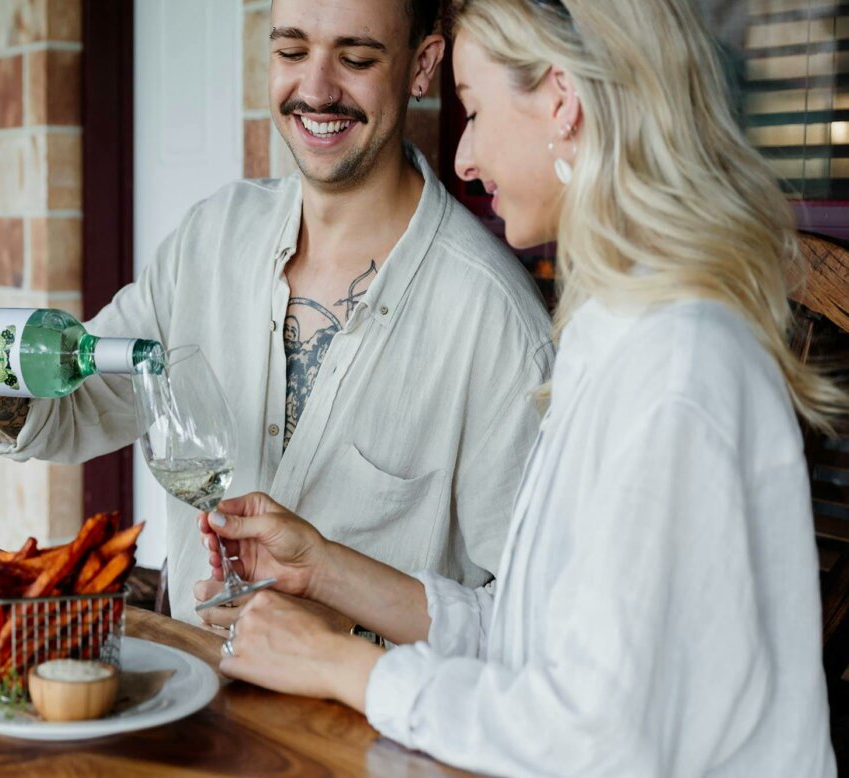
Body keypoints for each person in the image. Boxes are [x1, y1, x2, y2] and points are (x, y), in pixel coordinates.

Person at [195, 0, 844, 774]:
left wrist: (342, 665)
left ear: (562, 100)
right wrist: (324, 569)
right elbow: (537, 636)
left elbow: (597, 738)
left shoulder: (678, 370)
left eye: (473, 109)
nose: (462, 157)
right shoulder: (613, 331)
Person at [0, 0, 554, 626]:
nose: (316, 89)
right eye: (291, 52)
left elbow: (526, 617)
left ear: (422, 66)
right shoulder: (212, 236)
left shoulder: (496, 321)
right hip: (189, 705)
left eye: (356, 59)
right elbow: (79, 402)